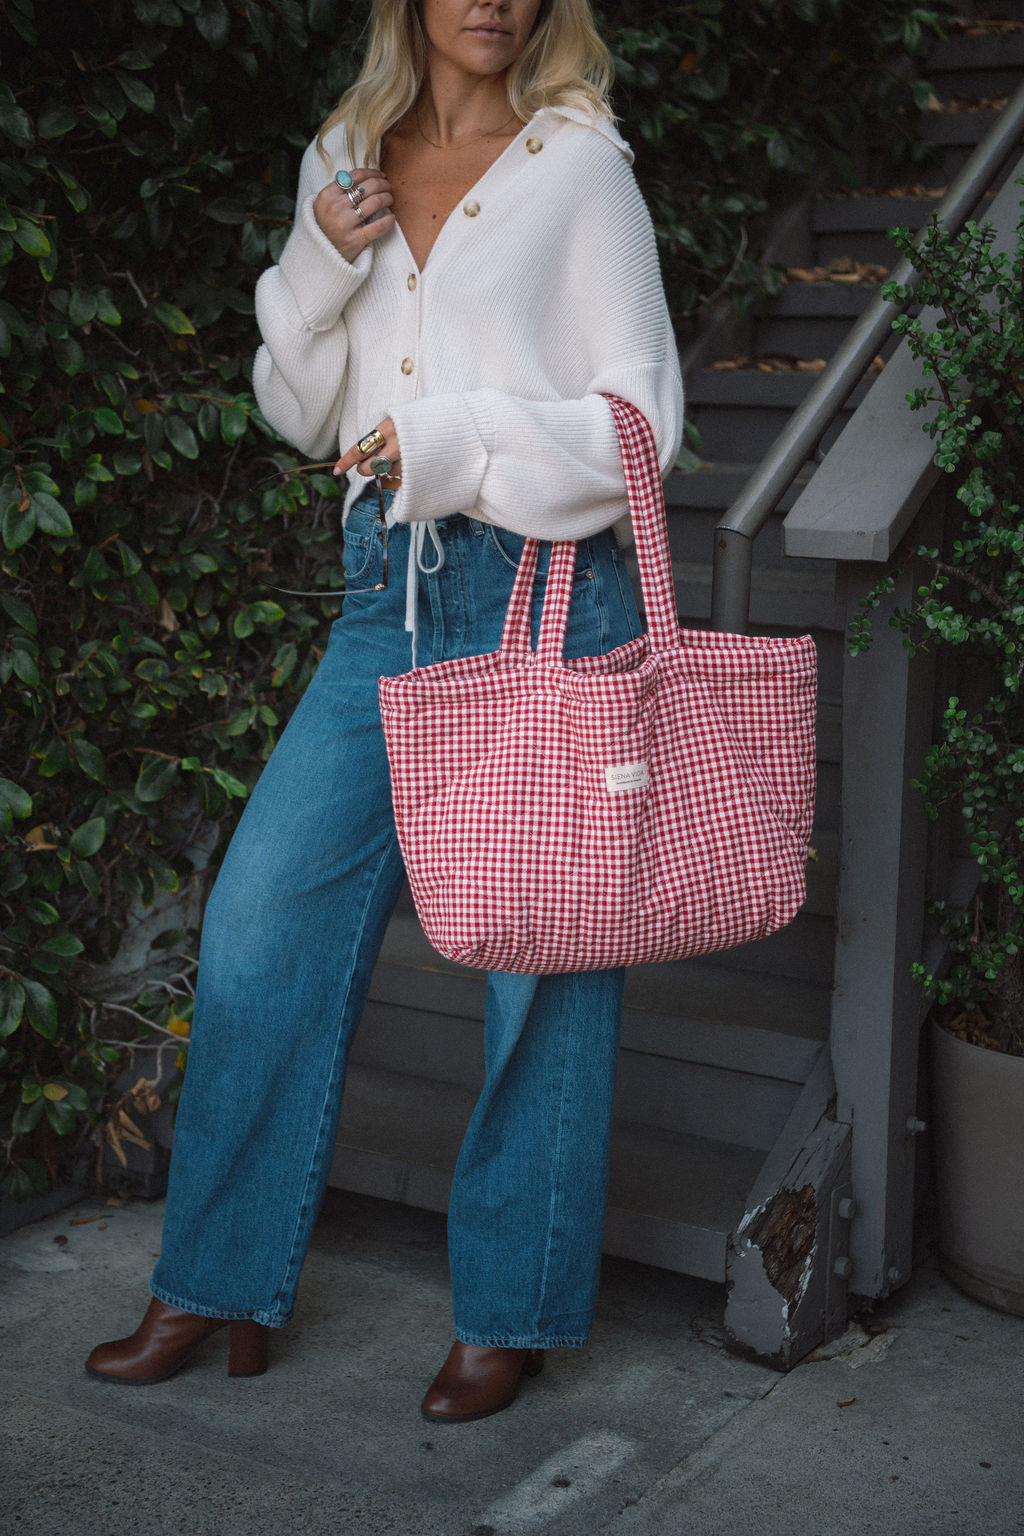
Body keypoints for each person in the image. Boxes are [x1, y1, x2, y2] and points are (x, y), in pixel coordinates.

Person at [86, 0, 684, 1423]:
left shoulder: (581, 169)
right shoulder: (343, 156)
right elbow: (298, 414)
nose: (496, 2)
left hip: (546, 601)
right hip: (383, 599)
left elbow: (641, 420)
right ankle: (214, 1283)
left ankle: (514, 1307)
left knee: (540, 962)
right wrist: (316, 258)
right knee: (259, 925)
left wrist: (456, 440)